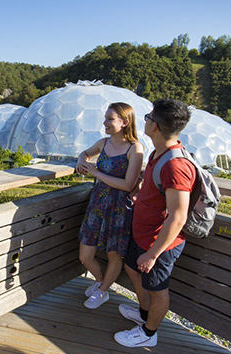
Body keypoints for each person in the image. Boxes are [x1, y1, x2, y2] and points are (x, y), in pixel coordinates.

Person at [114, 99, 194, 348]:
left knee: (158, 290)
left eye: (148, 117)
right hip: (143, 236)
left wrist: (153, 254)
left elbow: (178, 216)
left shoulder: (176, 166)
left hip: (159, 244)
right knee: (131, 268)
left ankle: (149, 332)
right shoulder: (158, 153)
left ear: (155, 127)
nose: (145, 120)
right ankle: (143, 312)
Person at [76, 102, 144, 310]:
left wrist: (96, 173)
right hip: (97, 204)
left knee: (115, 255)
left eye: (109, 119)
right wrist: (81, 161)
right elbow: (85, 153)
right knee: (84, 255)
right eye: (105, 118)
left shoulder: (135, 148)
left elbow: (128, 184)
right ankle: (99, 282)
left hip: (119, 209)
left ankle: (103, 291)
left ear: (124, 122)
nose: (104, 122)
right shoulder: (103, 143)